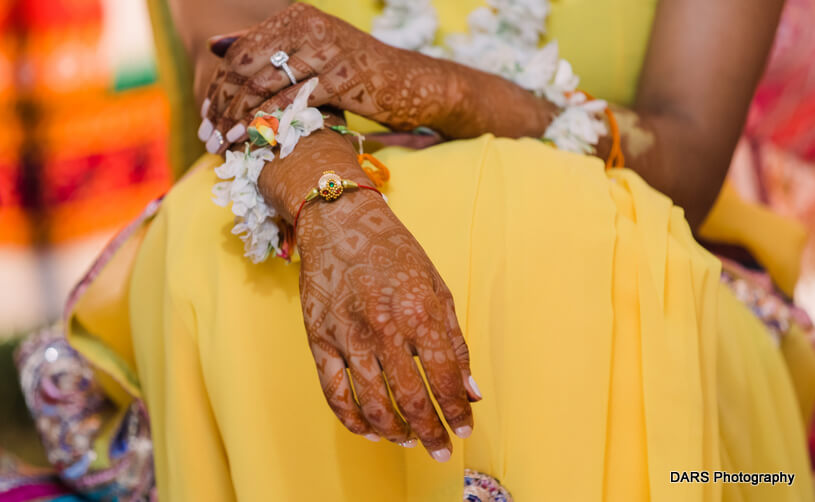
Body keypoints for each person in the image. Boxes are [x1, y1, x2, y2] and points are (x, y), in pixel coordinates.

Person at [51, 0, 814, 500]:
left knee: (582, 239)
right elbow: (239, 57)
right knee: (227, 267)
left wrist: (438, 90)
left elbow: (687, 151)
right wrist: (333, 204)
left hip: (621, 238)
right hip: (281, 193)